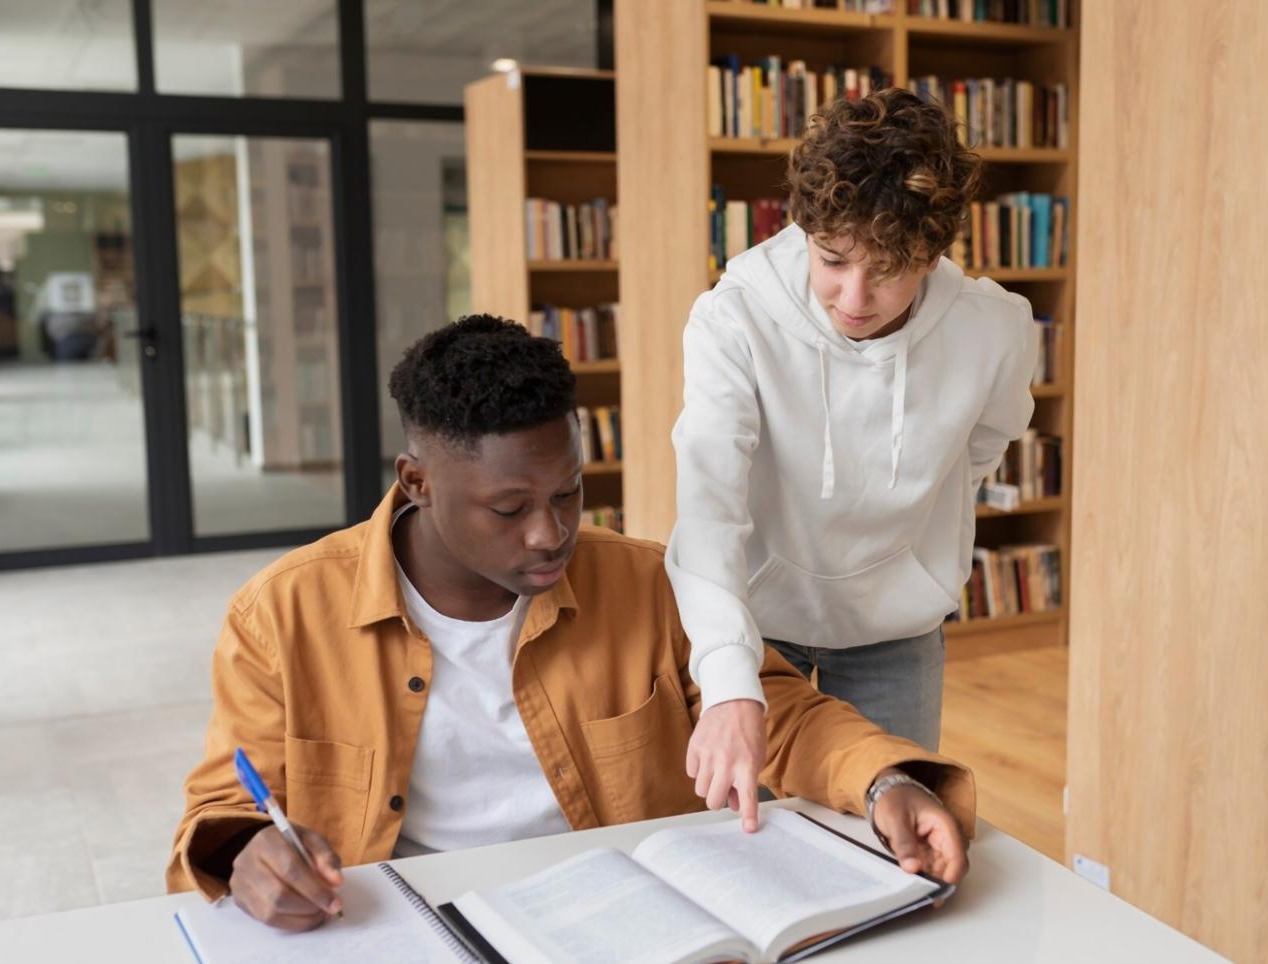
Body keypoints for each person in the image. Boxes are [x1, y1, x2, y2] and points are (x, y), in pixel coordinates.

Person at [167, 315, 974, 931]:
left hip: (621, 926)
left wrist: (884, 780)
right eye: (509, 508)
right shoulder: (281, 615)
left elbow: (780, 712)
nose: (548, 533)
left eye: (567, 494)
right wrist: (246, 856)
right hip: (409, 929)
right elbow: (222, 810)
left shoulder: (650, 581)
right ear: (416, 481)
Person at [670, 89, 1037, 830]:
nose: (854, 296)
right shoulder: (733, 317)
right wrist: (727, 679)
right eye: (831, 259)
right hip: (755, 626)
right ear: (803, 229)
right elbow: (708, 507)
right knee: (751, 843)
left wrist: (914, 537)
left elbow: (983, 445)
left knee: (890, 838)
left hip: (895, 629)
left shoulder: (994, 327)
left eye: (889, 268)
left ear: (932, 254)